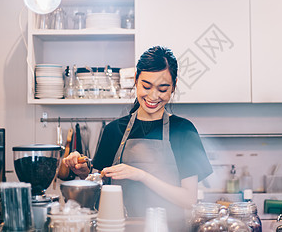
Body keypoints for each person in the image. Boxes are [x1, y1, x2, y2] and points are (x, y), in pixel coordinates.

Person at [63, 46, 213, 230]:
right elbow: (99, 182)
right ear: (135, 80)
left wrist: (141, 175)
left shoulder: (183, 131)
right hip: (118, 228)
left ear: (173, 86)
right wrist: (82, 170)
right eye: (146, 86)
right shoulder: (114, 131)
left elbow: (188, 199)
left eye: (162, 88)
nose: (153, 96)